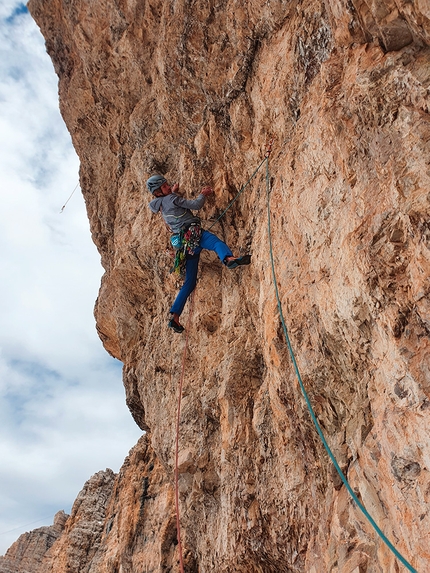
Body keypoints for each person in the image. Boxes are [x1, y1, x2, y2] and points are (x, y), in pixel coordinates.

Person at [147, 174, 251, 333]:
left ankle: (175, 317)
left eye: (168, 184)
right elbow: (195, 205)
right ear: (158, 192)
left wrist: (172, 192)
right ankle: (228, 258)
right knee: (216, 243)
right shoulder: (172, 199)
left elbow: (169, 202)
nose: (169, 186)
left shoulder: (158, 205)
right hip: (194, 234)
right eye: (165, 186)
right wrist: (203, 194)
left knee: (189, 282)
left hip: (184, 245)